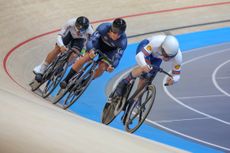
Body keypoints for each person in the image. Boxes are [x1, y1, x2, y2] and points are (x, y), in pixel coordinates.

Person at [60, 18, 127, 89]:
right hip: (98, 44)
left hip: (109, 52)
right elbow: (92, 40)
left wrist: (113, 66)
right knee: (85, 57)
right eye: (115, 32)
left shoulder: (123, 42)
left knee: (102, 67)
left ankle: (84, 82)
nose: (116, 36)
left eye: (119, 34)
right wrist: (91, 49)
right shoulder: (103, 28)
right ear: (111, 29)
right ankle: (67, 79)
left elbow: (118, 57)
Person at [115, 34, 183, 97]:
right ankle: (125, 81)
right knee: (145, 70)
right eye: (166, 55)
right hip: (146, 46)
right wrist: (144, 65)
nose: (167, 58)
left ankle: (136, 99)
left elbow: (176, 75)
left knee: (148, 78)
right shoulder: (156, 43)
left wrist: (173, 80)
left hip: (157, 57)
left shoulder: (178, 57)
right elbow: (139, 56)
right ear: (162, 47)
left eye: (170, 57)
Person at [33, 16, 94, 81]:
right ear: (75, 24)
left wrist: (81, 54)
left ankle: (63, 66)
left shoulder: (90, 32)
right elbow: (59, 36)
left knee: (74, 55)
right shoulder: (70, 23)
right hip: (69, 34)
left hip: (80, 40)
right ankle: (41, 70)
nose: (79, 31)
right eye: (78, 27)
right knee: (57, 49)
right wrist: (61, 46)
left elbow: (86, 46)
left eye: (82, 30)